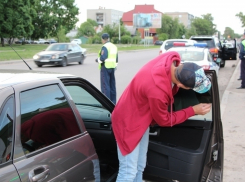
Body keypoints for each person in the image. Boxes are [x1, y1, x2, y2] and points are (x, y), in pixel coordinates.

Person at [111, 51, 212, 182]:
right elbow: (164, 120)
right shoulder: (157, 91)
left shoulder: (170, 58)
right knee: (128, 172)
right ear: (180, 85)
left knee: (140, 166)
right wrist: (192, 110)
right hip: (128, 122)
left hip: (141, 120)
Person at [95, 33, 118, 104]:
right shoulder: (114, 46)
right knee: (112, 86)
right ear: (108, 38)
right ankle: (113, 102)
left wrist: (97, 60)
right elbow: (116, 59)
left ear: (103, 39)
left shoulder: (105, 47)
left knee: (105, 86)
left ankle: (106, 103)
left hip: (105, 67)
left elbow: (103, 57)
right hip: (112, 67)